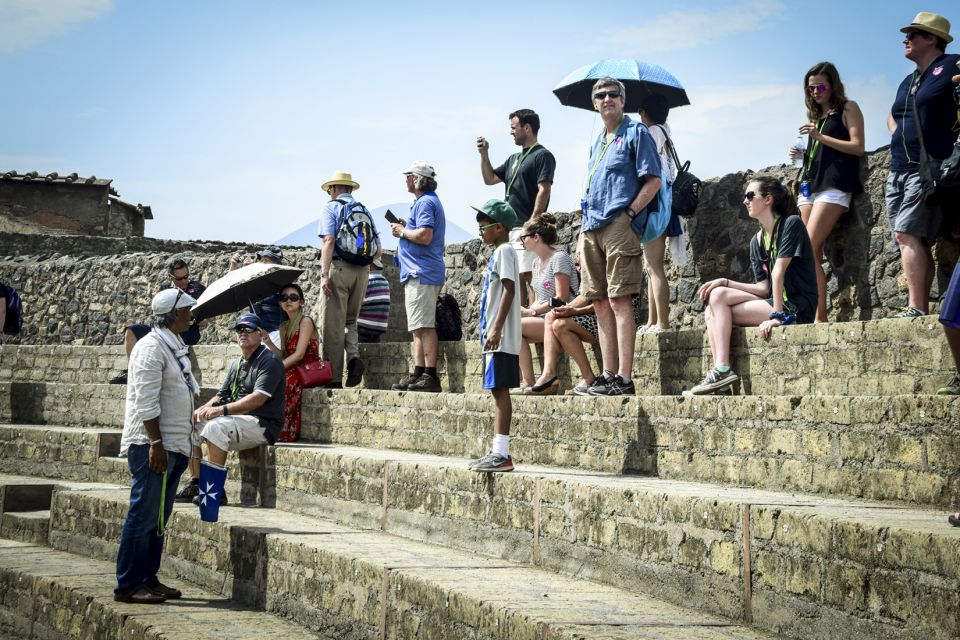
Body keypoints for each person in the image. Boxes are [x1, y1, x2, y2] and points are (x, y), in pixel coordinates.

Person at [691, 177, 818, 395]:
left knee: (718, 302)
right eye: (744, 196)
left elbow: (778, 273)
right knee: (715, 302)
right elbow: (762, 288)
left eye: (751, 195)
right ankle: (721, 375)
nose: (745, 201)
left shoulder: (791, 224)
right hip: (774, 301)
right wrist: (725, 281)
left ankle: (721, 371)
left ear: (768, 199)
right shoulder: (756, 241)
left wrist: (777, 317)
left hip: (796, 307)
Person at [114, 288, 199, 604]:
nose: (191, 315)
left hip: (173, 444)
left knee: (159, 516)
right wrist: (156, 443)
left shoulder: (174, 346)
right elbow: (146, 401)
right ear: (175, 313)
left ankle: (148, 578)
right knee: (144, 514)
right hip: (153, 445)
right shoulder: (151, 348)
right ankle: (128, 584)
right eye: (187, 310)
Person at [579, 77, 662, 396]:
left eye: (614, 94)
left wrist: (629, 215)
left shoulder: (635, 132)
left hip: (618, 222)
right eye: (601, 95)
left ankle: (624, 378)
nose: (608, 98)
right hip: (591, 226)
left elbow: (653, 181)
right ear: (594, 103)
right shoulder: (598, 139)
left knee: (619, 299)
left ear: (623, 101)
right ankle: (607, 374)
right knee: (599, 301)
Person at [886, 12, 959, 318]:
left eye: (913, 34)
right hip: (898, 168)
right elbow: (893, 115)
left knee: (907, 234)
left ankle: (916, 307)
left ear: (931, 39)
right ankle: (920, 306)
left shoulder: (953, 65)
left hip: (926, 168)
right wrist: (898, 134)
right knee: (910, 237)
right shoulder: (909, 80)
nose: (906, 39)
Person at [788, 62, 865, 323]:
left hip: (834, 186)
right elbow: (820, 153)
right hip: (811, 186)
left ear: (833, 85)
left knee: (808, 248)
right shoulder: (816, 118)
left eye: (820, 86)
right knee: (810, 253)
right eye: (810, 89)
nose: (815, 92)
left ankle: (819, 318)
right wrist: (802, 153)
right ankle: (816, 315)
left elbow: (857, 146)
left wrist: (819, 138)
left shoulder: (848, 108)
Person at [191, 313, 285, 504]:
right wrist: (202, 409)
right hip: (238, 420)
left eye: (249, 329)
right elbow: (221, 395)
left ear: (260, 335)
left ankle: (214, 493)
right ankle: (196, 482)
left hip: (261, 423)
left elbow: (258, 399)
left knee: (215, 427)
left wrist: (220, 410)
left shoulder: (269, 361)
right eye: (239, 329)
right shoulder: (236, 363)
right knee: (190, 423)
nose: (243, 332)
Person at [477, 108, 557, 306]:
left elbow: (544, 189)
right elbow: (489, 179)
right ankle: (522, 328)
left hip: (526, 227)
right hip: (509, 230)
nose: (510, 132)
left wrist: (532, 222)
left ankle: (536, 324)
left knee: (530, 276)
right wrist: (484, 154)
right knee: (515, 278)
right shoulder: (513, 159)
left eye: (514, 127)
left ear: (527, 128)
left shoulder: (543, 155)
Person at [469, 200, 521, 472]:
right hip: (495, 337)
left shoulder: (505, 251)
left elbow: (509, 289)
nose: (480, 232)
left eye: (484, 227)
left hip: (499, 337)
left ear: (499, 228)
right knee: (496, 390)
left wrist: (497, 327)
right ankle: (497, 450)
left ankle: (502, 453)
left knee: (500, 391)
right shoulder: (501, 252)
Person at [317, 171, 378, 389]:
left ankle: (332, 379)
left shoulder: (331, 208)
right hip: (362, 272)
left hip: (339, 268)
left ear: (334, 189)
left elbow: (328, 240)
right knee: (351, 321)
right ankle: (353, 358)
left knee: (333, 325)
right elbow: (377, 250)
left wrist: (325, 274)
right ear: (350, 189)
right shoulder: (364, 211)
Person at [390, 161, 446, 393]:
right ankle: (419, 372)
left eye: (409, 176)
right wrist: (407, 226)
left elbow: (424, 235)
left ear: (418, 179)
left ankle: (429, 375)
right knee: (417, 326)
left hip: (421, 271)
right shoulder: (426, 202)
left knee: (423, 325)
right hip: (419, 271)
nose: (406, 180)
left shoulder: (424, 202)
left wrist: (402, 232)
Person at [110, 258, 206, 385]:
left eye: (186, 277)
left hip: (187, 331)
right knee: (132, 330)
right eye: (179, 279)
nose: (184, 281)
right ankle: (133, 372)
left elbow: (209, 310)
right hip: (163, 329)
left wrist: (205, 319)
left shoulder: (197, 288)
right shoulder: (164, 290)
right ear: (171, 277)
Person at [514, 214, 578, 395]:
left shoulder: (559, 258)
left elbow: (561, 298)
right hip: (541, 318)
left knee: (514, 327)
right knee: (511, 326)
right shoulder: (535, 263)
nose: (521, 242)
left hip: (560, 316)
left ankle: (528, 381)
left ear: (536, 237)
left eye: (523, 237)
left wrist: (531, 312)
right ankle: (526, 380)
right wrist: (529, 310)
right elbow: (536, 297)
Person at [637, 93, 683, 335]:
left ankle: (661, 322)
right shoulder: (665, 131)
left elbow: (647, 166)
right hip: (664, 201)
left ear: (645, 112)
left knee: (654, 266)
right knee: (650, 266)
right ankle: (652, 321)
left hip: (657, 203)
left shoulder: (652, 132)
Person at [263, 283, 319, 442]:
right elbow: (284, 355)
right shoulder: (283, 327)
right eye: (284, 297)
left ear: (301, 302)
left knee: (283, 382)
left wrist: (278, 369)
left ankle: (284, 431)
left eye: (293, 297)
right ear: (280, 303)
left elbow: (300, 354)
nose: (288, 301)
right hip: (292, 367)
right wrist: (269, 343)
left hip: (306, 368)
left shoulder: (306, 321)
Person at [344, 257, 391, 378]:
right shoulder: (385, 281)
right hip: (378, 330)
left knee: (343, 324)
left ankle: (352, 366)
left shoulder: (366, 280)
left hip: (363, 328)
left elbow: (353, 306)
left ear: (370, 266)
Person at [229, 246, 285, 346]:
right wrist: (234, 267)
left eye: (266, 260)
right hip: (256, 334)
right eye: (261, 260)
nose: (262, 263)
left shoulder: (281, 283)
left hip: (275, 334)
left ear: (277, 264)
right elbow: (232, 291)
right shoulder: (253, 282)